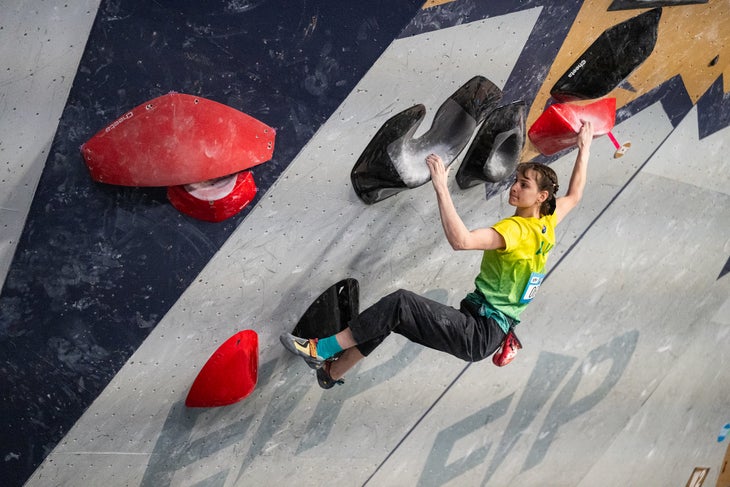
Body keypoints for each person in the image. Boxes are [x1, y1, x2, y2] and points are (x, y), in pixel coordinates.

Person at [281, 121, 595, 389]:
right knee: (391, 318)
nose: (514, 188)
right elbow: (575, 194)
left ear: (540, 196)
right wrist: (584, 148)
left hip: (479, 332)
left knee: (400, 303)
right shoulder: (547, 223)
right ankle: (331, 372)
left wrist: (441, 187)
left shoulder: (516, 231)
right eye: (516, 181)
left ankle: (320, 349)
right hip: (488, 329)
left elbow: (461, 241)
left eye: (523, 185)